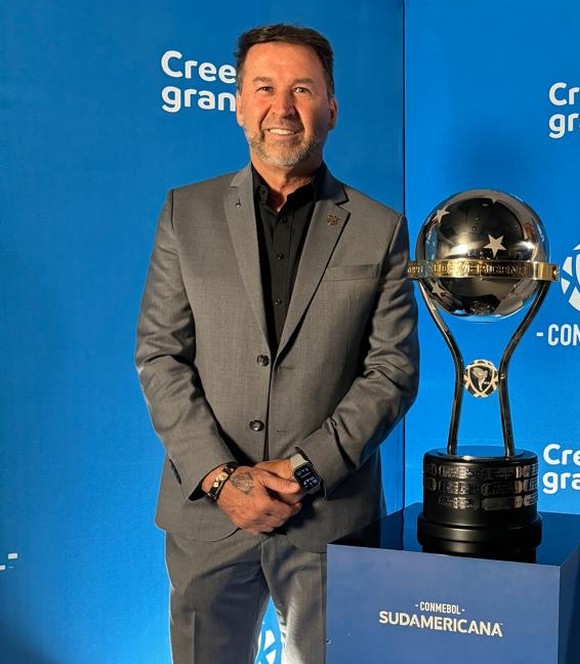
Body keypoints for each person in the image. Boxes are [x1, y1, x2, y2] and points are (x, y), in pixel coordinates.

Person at [135, 23, 418, 663]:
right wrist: (218, 476)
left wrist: (301, 470)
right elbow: (160, 354)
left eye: (302, 89)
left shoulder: (381, 228)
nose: (282, 108)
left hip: (329, 519)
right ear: (238, 104)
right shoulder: (185, 212)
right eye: (264, 88)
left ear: (332, 108)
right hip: (208, 517)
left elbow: (392, 371)